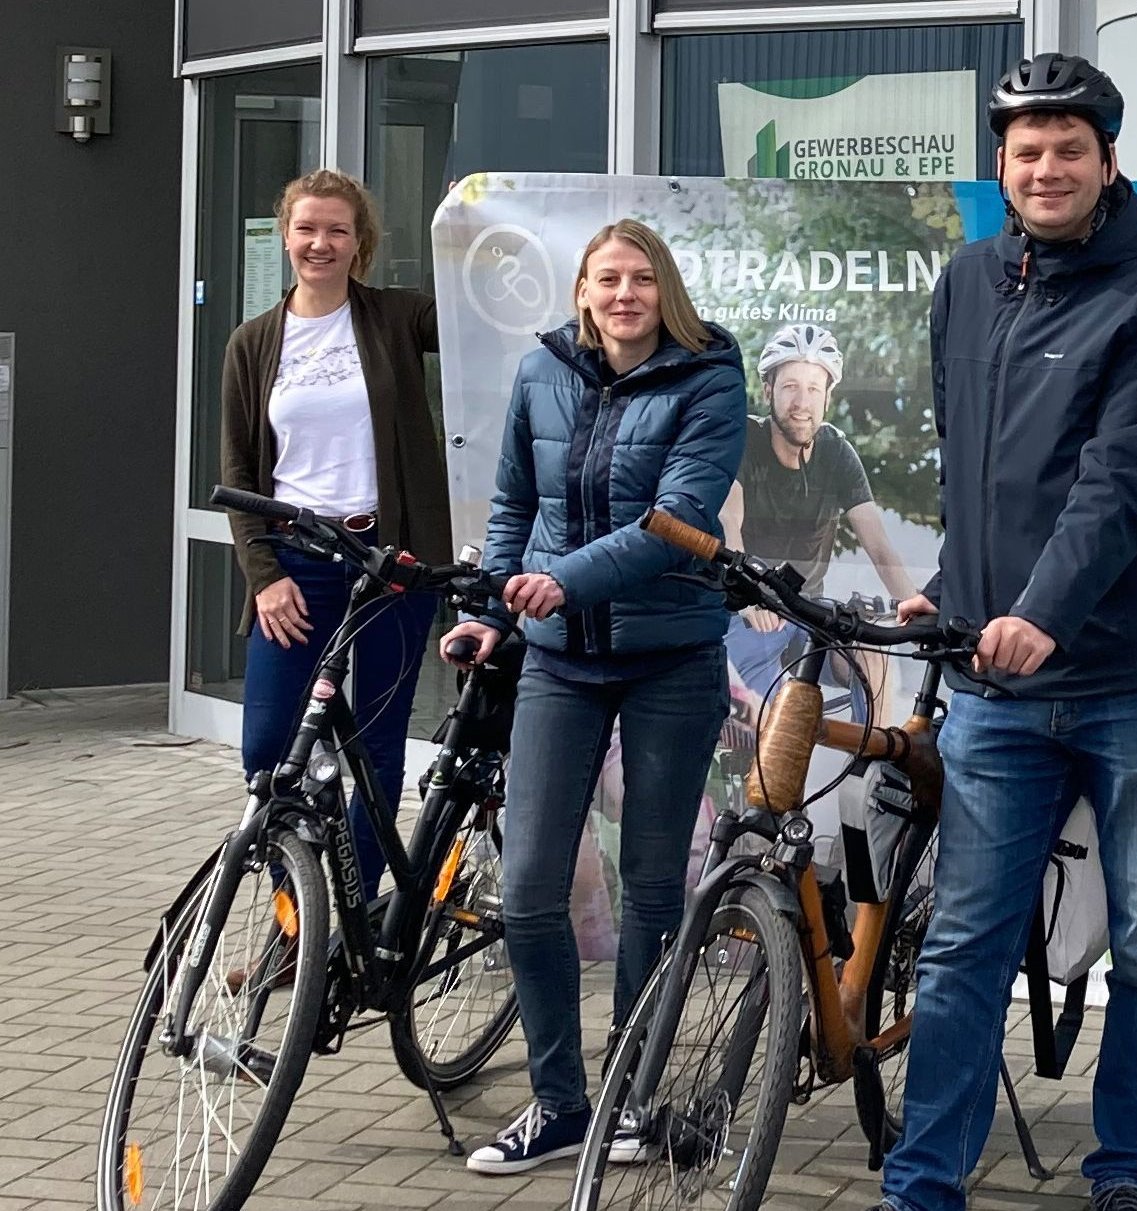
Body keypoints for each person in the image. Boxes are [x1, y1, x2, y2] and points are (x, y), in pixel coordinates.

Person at [871, 52, 1137, 1211]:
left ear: (1108, 161)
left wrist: (1039, 612)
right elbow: (972, 467)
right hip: (997, 679)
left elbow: (1120, 482)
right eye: (1025, 150)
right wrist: (954, 585)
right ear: (1001, 164)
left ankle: (1125, 1163)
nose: (1045, 167)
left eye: (1068, 147)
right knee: (965, 940)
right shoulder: (969, 281)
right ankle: (925, 1175)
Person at [441, 217, 747, 1175]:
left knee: (653, 886)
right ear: (580, 289)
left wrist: (564, 578)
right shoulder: (543, 373)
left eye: (642, 280)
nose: (624, 295)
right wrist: (496, 607)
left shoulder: (710, 377)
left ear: (668, 293)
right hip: (556, 660)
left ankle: (634, 1096)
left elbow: (678, 525)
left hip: (669, 657)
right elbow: (512, 506)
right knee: (530, 887)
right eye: (608, 279)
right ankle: (559, 1103)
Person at [218, 168, 447, 898]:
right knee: (270, 751)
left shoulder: (398, 317)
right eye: (307, 228)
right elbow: (241, 471)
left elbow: (488, 317)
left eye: (337, 230)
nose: (321, 243)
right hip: (297, 562)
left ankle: (348, 914)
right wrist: (264, 575)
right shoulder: (253, 343)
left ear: (361, 243)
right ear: (285, 235)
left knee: (375, 748)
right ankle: (299, 912)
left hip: (389, 561)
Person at [721, 321, 919, 710]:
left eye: (813, 388)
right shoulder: (745, 440)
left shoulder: (836, 452)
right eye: (790, 386)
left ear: (828, 397)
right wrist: (750, 595)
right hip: (747, 615)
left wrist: (916, 607)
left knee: (867, 649)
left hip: (805, 611)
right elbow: (730, 520)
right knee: (782, 720)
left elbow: (879, 547)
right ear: (768, 391)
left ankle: (873, 769)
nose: (802, 401)